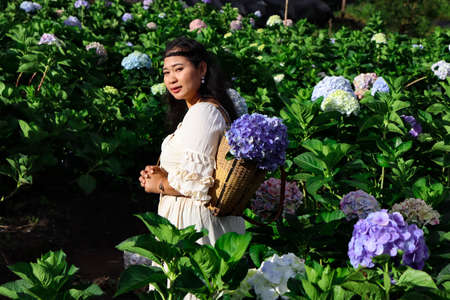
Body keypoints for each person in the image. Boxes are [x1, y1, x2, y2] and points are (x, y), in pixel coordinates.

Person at [138, 36, 245, 246]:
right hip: (191, 221)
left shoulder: (204, 112)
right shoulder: (199, 112)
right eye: (166, 72)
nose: (171, 79)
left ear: (202, 69)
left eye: (179, 69)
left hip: (195, 228)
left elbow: (196, 183)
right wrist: (161, 174)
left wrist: (157, 184)